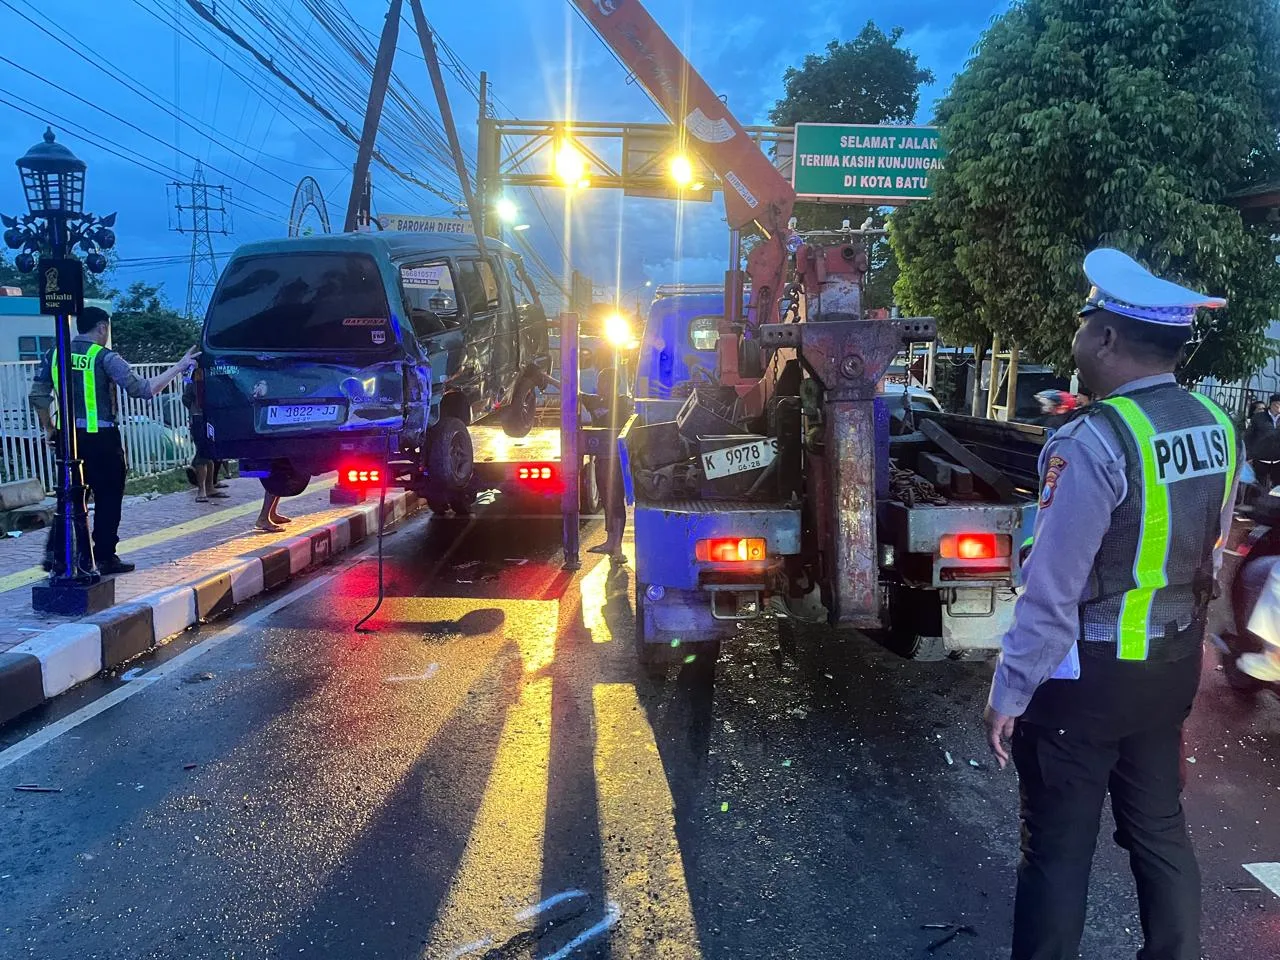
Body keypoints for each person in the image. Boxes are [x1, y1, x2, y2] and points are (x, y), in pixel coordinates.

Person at [985, 248, 1238, 960]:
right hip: (1171, 667)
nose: (1078, 337)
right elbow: (1212, 552)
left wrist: (1009, 692)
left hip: (1088, 679)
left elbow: (1052, 589)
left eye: (1083, 324)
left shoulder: (1094, 440)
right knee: (1159, 830)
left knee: (1057, 851)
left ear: (1106, 337)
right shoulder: (1215, 423)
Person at [29, 306, 199, 574]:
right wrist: (178, 367)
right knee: (108, 498)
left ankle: (57, 555)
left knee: (69, 496)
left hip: (67, 439)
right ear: (102, 327)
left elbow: (38, 395)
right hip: (102, 440)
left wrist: (49, 428)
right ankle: (104, 557)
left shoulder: (54, 354)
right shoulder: (105, 357)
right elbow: (144, 389)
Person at [181, 370, 228, 503]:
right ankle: (202, 489)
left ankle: (210, 487)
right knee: (203, 453)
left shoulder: (215, 376)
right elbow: (186, 398)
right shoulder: (196, 376)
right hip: (200, 417)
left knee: (210, 454)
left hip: (212, 417)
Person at [1245, 395, 1280, 490]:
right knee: (1258, 488)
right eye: (1278, 405)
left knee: (1277, 489)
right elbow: (1249, 437)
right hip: (1260, 459)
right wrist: (1249, 455)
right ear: (1273, 405)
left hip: (1278, 460)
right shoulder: (1259, 418)